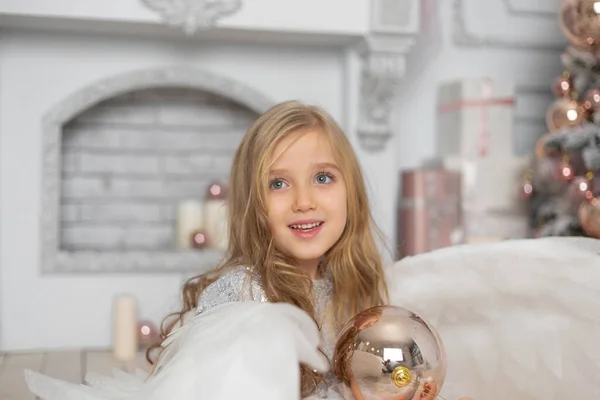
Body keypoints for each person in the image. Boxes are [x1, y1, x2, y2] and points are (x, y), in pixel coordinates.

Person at [24, 101, 470, 400]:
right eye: (278, 183)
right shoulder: (242, 294)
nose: (303, 200)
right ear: (253, 204)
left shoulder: (353, 285)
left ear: (351, 189)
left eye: (323, 177)